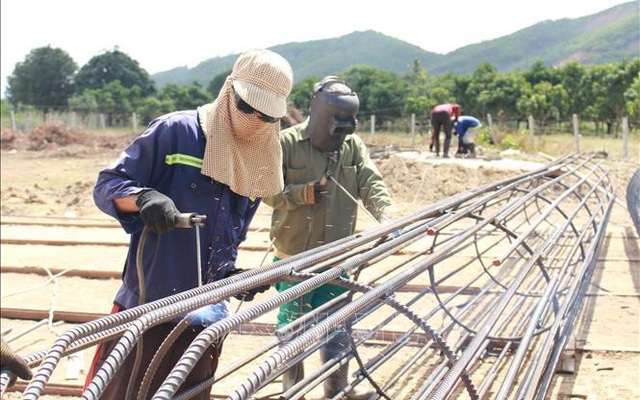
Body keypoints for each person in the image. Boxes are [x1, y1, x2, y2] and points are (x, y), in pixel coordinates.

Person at [84, 49, 293, 400]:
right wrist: (144, 198)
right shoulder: (177, 132)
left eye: (266, 115)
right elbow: (107, 186)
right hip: (148, 309)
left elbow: (229, 239)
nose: (254, 119)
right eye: (246, 107)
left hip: (206, 319)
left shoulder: (262, 159)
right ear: (230, 91)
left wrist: (231, 279)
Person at [263, 76, 393, 400]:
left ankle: (338, 390)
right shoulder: (286, 143)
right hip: (295, 258)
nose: (340, 133)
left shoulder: (353, 145)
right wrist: (303, 193)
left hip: (337, 258)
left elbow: (371, 183)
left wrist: (388, 218)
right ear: (319, 114)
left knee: (338, 326)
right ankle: (293, 393)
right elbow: (266, 191)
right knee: (293, 328)